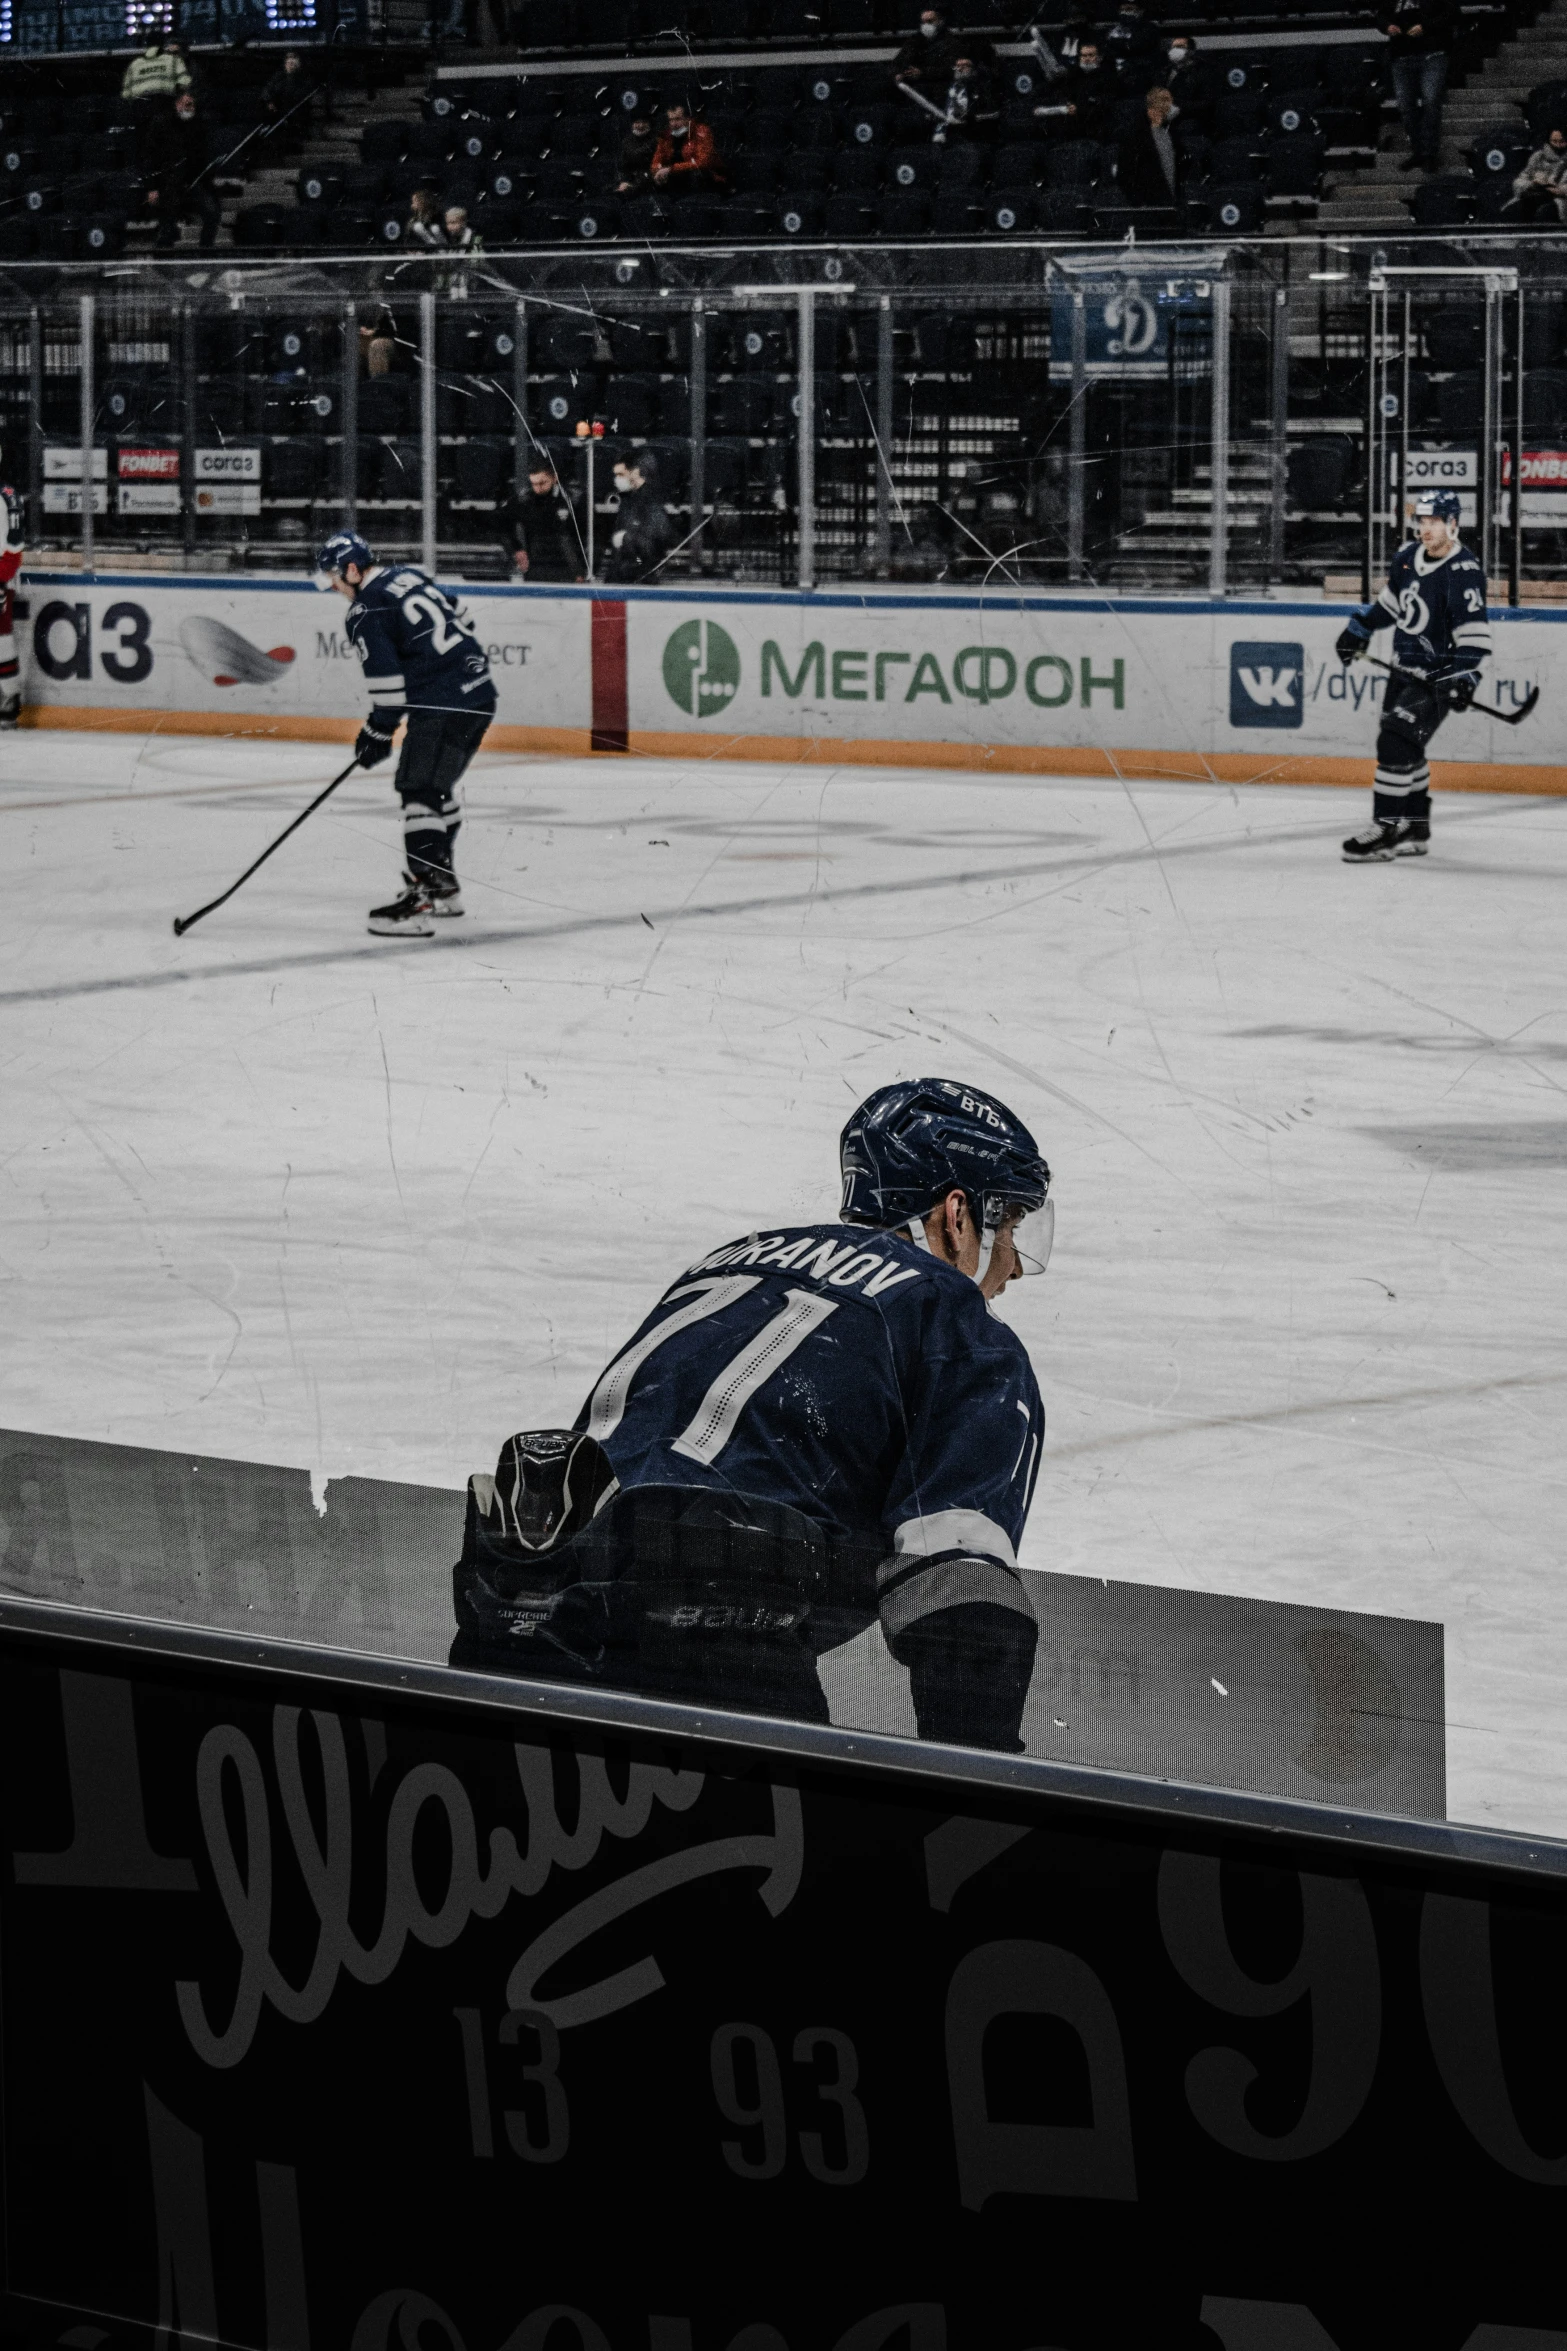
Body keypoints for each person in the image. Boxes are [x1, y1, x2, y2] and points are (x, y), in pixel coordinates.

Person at [453, 1079, 1054, 1751]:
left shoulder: (720, 1265)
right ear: (956, 1213)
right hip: (712, 1646)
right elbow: (962, 1602)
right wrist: (976, 1805)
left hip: (520, 1612)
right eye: (1013, 1227)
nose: (1014, 1267)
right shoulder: (959, 1320)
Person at [313, 530, 497, 936]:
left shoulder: (365, 610)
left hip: (442, 704)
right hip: (480, 696)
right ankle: (445, 891)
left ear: (353, 569)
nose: (334, 587)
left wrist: (378, 731)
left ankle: (422, 899)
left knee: (417, 789)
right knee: (437, 788)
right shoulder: (407, 576)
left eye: (334, 577)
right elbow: (463, 617)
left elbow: (388, 687)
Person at [1335, 487, 1491, 862]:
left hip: (1436, 677)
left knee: (1394, 744)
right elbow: (1392, 605)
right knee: (1407, 745)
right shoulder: (1407, 557)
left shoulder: (1463, 572)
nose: (1426, 528)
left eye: (1435, 521)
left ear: (1453, 524)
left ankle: (1386, 829)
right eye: (1422, 520)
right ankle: (1415, 825)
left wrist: (1464, 676)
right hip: (1402, 670)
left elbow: (1473, 636)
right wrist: (1361, 629)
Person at [143, 89, 221, 251]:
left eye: (193, 105)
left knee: (212, 213)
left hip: (193, 182)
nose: (191, 108)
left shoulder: (198, 125)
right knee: (167, 226)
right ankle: (162, 258)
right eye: (187, 104)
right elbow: (150, 158)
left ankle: (205, 254)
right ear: (177, 104)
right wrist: (152, 188)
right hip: (168, 184)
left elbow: (203, 156)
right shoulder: (161, 124)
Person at [1384, 0, 1456, 173]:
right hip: (1402, 57)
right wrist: (1387, 26)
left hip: (1433, 54)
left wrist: (1426, 27)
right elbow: (1381, 15)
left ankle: (1429, 153)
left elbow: (1452, 14)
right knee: (1405, 106)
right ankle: (1418, 151)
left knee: (1431, 100)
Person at [600, 450, 674, 583]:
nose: (617, 479)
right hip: (623, 576)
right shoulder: (628, 500)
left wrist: (626, 538)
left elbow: (656, 541)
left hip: (640, 580)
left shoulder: (652, 501)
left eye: (621, 474)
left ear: (635, 472)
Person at [509, 457, 584, 583]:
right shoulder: (526, 500)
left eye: (542, 483)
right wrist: (517, 548)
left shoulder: (573, 500)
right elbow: (504, 524)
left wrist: (580, 571)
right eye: (533, 484)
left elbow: (592, 536)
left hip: (568, 570)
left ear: (555, 478)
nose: (537, 489)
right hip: (536, 569)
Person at [1116, 84, 1182, 212]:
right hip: (1148, 208)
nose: (1171, 106)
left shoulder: (1171, 131)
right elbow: (1124, 176)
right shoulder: (1134, 135)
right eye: (1166, 102)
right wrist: (1139, 204)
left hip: (1172, 205)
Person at [650, 101, 727, 194]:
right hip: (675, 176)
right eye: (671, 120)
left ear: (688, 119)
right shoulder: (666, 135)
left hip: (703, 176)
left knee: (695, 175)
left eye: (678, 119)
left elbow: (702, 162)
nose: (674, 124)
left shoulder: (701, 131)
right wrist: (657, 170)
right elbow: (657, 160)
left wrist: (671, 169)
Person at [1049, 38, 1113, 141]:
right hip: (1072, 124)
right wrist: (1067, 104)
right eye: (1084, 56)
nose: (1087, 59)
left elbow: (1104, 103)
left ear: (1099, 57)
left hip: (1096, 126)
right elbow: (1063, 94)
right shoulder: (1073, 75)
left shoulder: (1107, 78)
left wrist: (1079, 108)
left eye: (1091, 55)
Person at [0, 472, 22, 728]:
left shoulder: (7, 495)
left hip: (2, 574)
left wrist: (2, 578)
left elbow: (15, 545)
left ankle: (9, 696)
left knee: (1, 634)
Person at [1510, 123, 1567, 220]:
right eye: (1554, 141)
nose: (1558, 145)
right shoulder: (1538, 157)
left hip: (1561, 201)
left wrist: (1559, 190)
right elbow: (1520, 180)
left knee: (1544, 212)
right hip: (1537, 195)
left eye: (1562, 142)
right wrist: (1532, 183)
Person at [1101, 0, 1163, 87]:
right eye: (1122, 9)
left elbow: (1136, 46)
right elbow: (1107, 51)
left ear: (1140, 11)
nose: (1124, 12)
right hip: (1115, 79)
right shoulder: (1112, 30)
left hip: (1140, 79)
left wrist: (1114, 42)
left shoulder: (1149, 29)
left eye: (1129, 9)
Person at [120, 33, 191, 106]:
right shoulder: (173, 61)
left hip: (139, 107)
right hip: (165, 104)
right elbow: (185, 82)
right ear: (163, 45)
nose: (173, 54)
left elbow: (125, 94)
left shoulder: (134, 65)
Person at [614, 111, 658, 195]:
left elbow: (638, 156)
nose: (641, 126)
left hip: (650, 179)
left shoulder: (656, 139)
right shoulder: (627, 141)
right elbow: (623, 166)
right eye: (637, 122)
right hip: (632, 179)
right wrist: (624, 181)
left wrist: (632, 185)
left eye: (644, 122)